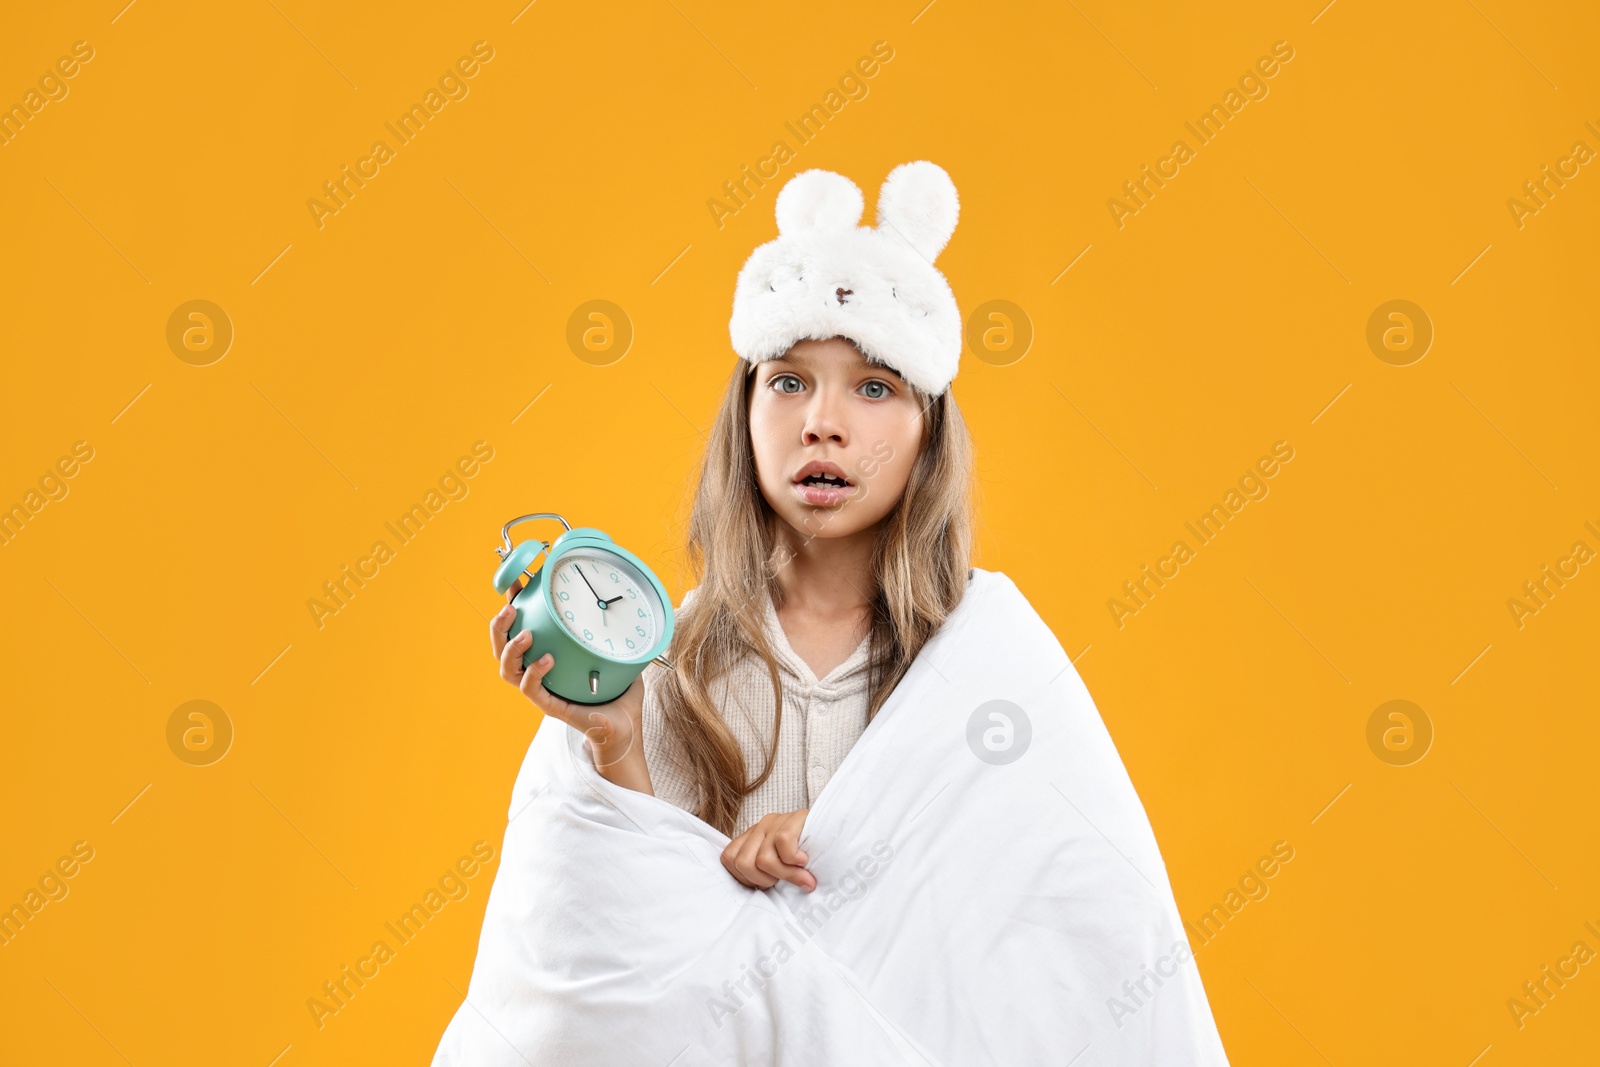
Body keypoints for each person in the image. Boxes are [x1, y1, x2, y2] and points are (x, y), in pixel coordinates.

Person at [489, 159, 974, 893]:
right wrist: (615, 743)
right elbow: (618, 946)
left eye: (875, 386)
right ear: (744, 418)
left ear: (927, 432)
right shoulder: (666, 665)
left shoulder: (979, 657)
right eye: (787, 381)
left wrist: (833, 833)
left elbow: (1025, 894)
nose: (821, 425)